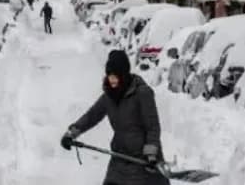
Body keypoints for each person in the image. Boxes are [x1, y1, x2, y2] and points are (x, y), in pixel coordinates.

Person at [60, 50, 169, 185]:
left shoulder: (142, 93)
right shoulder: (109, 96)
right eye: (109, 75)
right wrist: (72, 132)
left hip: (143, 161)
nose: (112, 79)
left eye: (115, 76)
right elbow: (92, 116)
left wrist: (151, 155)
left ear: (123, 74)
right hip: (120, 157)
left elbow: (152, 127)